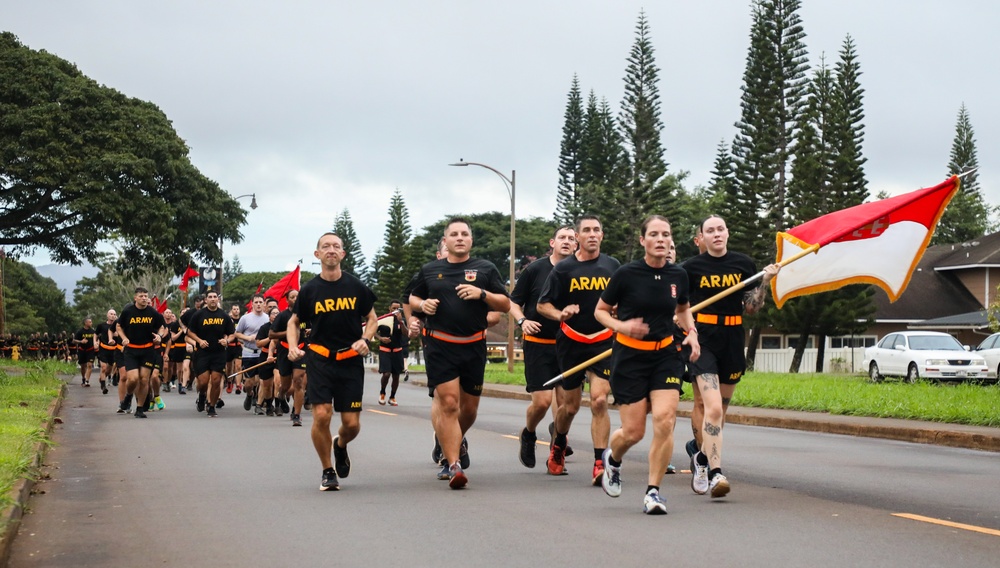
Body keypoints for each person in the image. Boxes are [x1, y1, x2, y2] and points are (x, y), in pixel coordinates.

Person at [593, 215, 700, 514]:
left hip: (666, 355)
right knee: (634, 432)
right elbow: (600, 312)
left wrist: (691, 333)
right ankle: (612, 460)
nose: (661, 239)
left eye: (666, 234)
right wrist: (622, 326)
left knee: (665, 419)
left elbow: (683, 309)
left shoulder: (678, 275)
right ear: (643, 240)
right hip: (629, 357)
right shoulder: (626, 275)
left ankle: (653, 492)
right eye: (654, 234)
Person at [681, 214, 779, 498]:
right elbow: (680, 307)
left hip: (734, 339)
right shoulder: (691, 268)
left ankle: (701, 456)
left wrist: (765, 282)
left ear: (728, 233)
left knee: (720, 412)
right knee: (711, 408)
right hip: (704, 341)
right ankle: (716, 473)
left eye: (720, 229)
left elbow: (751, 308)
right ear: (702, 237)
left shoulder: (743, 264)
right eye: (710, 230)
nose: (716, 234)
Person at [408, 218, 510, 489]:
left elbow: (506, 303)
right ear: (446, 241)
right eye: (454, 234)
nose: (460, 238)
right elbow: (412, 298)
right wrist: (423, 304)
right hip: (440, 345)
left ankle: (451, 439)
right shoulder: (430, 270)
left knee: (469, 410)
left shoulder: (485, 269)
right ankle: (453, 465)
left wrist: (482, 293)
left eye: (465, 234)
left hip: (474, 345)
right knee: (449, 404)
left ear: (471, 240)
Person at [287, 232, 377, 491]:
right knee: (322, 415)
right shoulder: (310, 290)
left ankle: (340, 445)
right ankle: (327, 470)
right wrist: (293, 347)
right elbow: (294, 322)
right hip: (320, 360)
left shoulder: (355, 286)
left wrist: (366, 339)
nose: (331, 250)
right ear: (318, 254)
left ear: (343, 254)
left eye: (336, 246)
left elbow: (372, 318)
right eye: (325, 246)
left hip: (350, 362)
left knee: (351, 424)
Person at [537, 215, 619, 485]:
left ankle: (600, 461)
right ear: (578, 238)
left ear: (602, 235)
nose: (592, 234)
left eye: (597, 230)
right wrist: (561, 314)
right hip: (572, 342)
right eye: (587, 230)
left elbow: (622, 299)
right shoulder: (563, 270)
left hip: (603, 341)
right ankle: (559, 442)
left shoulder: (612, 266)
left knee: (599, 399)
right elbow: (542, 305)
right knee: (570, 407)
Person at [509, 226, 577, 468]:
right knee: (542, 402)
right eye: (562, 238)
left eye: (571, 238)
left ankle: (557, 446)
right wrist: (522, 321)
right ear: (552, 242)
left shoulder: (581, 271)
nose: (567, 242)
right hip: (538, 344)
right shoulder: (536, 269)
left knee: (566, 404)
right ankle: (528, 433)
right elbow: (513, 302)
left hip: (569, 345)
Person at [116, 288, 167, 419]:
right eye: (141, 296)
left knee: (144, 379)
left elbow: (162, 326)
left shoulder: (152, 312)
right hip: (131, 350)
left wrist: (159, 337)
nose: (144, 298)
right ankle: (128, 396)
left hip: (147, 350)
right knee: (133, 379)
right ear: (135, 298)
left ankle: (139, 408)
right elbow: (118, 326)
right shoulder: (128, 312)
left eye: (145, 296)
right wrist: (123, 338)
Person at [186, 291, 236, 417]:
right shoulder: (199, 315)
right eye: (210, 297)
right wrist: (199, 341)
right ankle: (202, 396)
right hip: (202, 353)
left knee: (216, 380)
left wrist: (227, 340)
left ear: (218, 300)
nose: (213, 299)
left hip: (218, 353)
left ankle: (212, 406)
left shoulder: (223, 315)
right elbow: (190, 332)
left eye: (215, 297)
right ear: (205, 300)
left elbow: (232, 333)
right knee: (203, 382)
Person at [271, 289, 308, 426]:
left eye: (297, 296)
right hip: (285, 351)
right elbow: (271, 334)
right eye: (292, 297)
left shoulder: (307, 314)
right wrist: (288, 331)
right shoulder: (282, 316)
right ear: (287, 300)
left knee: (299, 381)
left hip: (301, 350)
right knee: (285, 385)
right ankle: (280, 396)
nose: (295, 299)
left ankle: (296, 414)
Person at [235, 294, 269, 413]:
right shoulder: (245, 318)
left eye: (261, 302)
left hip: (263, 353)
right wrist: (248, 338)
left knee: (263, 381)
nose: (259, 304)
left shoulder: (268, 318)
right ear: (252, 304)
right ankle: (250, 394)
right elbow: (237, 333)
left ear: (264, 304)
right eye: (256, 302)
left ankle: (259, 405)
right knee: (249, 383)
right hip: (249, 353)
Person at [376, 300, 406, 406]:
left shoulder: (401, 320)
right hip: (385, 351)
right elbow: (373, 330)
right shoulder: (383, 319)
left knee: (396, 376)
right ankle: (382, 392)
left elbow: (406, 333)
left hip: (397, 351)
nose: (395, 310)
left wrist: (401, 321)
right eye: (393, 308)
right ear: (389, 308)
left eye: (398, 308)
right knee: (386, 373)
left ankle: (392, 396)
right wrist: (380, 338)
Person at [95, 310, 118, 394]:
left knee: (108, 371)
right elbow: (95, 334)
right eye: (111, 314)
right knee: (103, 367)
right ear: (107, 315)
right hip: (103, 349)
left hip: (113, 350)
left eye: (114, 314)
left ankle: (102, 378)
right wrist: (95, 342)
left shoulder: (118, 326)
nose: (113, 316)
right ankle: (103, 386)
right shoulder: (101, 325)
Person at [72, 317, 98, 388]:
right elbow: (74, 341)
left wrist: (97, 343)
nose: (91, 323)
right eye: (90, 322)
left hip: (91, 350)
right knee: (83, 366)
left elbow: (97, 339)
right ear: (86, 323)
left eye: (91, 322)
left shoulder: (93, 331)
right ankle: (83, 378)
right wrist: (81, 341)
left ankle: (87, 381)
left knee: (89, 365)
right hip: (82, 350)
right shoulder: (80, 331)